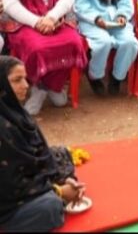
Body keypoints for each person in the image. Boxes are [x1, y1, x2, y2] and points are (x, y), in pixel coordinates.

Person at [0, 56, 87, 232]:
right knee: (50, 207)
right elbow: (10, 183)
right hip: (6, 198)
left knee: (61, 154)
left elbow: (37, 154)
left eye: (25, 78)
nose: (25, 85)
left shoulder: (14, 112)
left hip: (22, 181)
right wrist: (59, 191)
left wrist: (62, 179)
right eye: (17, 80)